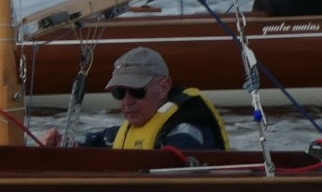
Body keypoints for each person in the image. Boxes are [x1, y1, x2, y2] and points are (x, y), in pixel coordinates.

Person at [41, 47, 230, 151]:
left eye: (137, 91)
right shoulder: (124, 132)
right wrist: (65, 145)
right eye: (119, 93)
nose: (127, 101)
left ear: (164, 87)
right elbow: (96, 142)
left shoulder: (186, 135)